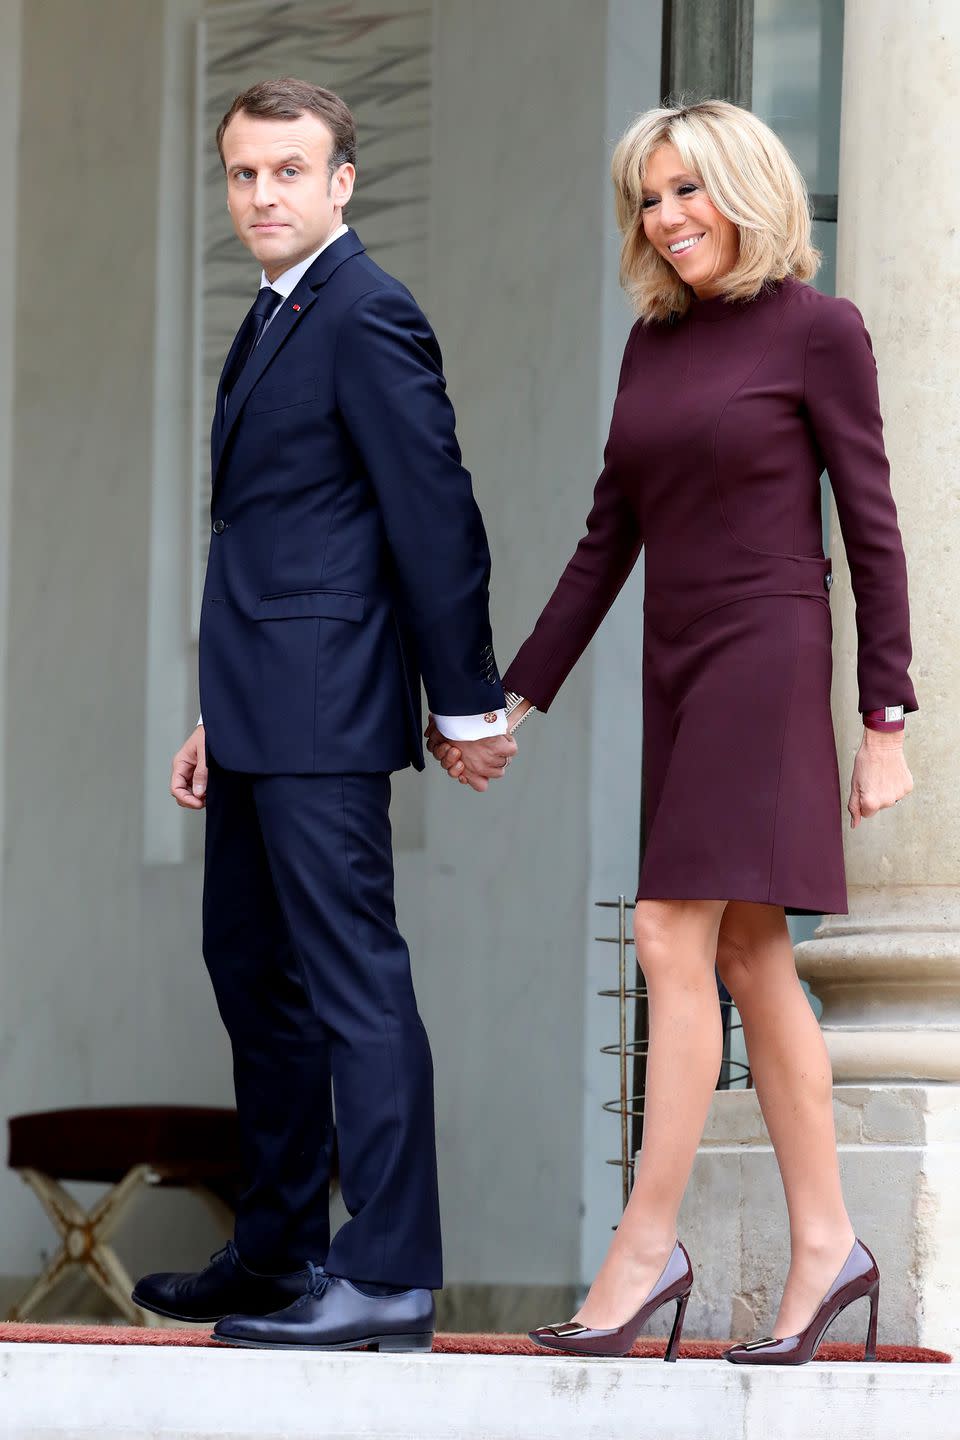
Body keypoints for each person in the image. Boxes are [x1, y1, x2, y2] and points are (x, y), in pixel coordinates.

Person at [428, 99, 916, 1365]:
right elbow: (608, 542)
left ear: (748, 192)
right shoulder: (654, 344)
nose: (668, 217)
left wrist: (884, 716)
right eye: (649, 197)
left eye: (690, 189)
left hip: (765, 647)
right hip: (676, 662)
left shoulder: (820, 331)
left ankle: (643, 1252)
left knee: (665, 931)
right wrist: (509, 697)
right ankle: (831, 1250)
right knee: (752, 957)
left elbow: (873, 530)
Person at [132, 77, 516, 1353]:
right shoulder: (274, 312)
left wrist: (462, 703)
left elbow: (435, 519)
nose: (261, 195)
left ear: (342, 181)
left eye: (288, 172)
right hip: (255, 709)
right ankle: (282, 1250)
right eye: (244, 174)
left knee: (354, 984)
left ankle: (391, 1269)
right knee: (252, 972)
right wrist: (210, 710)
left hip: (329, 710)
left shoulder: (367, 313)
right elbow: (275, 534)